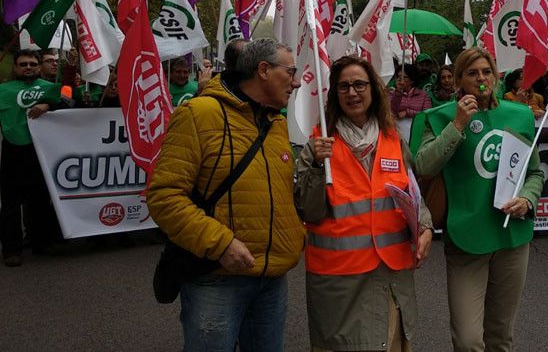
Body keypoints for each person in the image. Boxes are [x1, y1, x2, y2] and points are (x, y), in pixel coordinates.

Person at [147, 39, 306, 351]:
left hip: (272, 279)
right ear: (263, 70)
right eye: (290, 71)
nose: (297, 81)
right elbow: (164, 196)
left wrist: (296, 232)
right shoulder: (199, 113)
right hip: (216, 279)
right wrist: (220, 244)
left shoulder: (277, 123)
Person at [296, 56, 433, 351]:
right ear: (334, 94)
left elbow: (413, 194)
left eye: (359, 84)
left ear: (373, 89)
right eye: (343, 86)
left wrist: (426, 228)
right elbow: (308, 210)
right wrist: (318, 167)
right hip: (340, 284)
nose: (352, 93)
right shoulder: (319, 144)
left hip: (391, 276)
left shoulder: (392, 138)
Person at [411, 47, 543, 352]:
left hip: (511, 239)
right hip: (466, 239)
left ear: (495, 76)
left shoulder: (520, 115)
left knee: (500, 337)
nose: (480, 78)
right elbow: (423, 166)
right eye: (471, 73)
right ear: (458, 79)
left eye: (486, 71)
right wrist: (457, 125)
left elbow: (534, 173)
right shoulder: (439, 117)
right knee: (469, 340)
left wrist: (527, 198)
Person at [0, 50, 63, 267]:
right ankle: (11, 250)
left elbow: (71, 105)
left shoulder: (51, 88)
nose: (28, 67)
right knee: (10, 204)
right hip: (13, 150)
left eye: (32, 64)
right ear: (15, 67)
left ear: (38, 67)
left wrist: (48, 104)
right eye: (23, 64)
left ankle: (41, 243)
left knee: (39, 200)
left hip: (42, 151)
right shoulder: (3, 90)